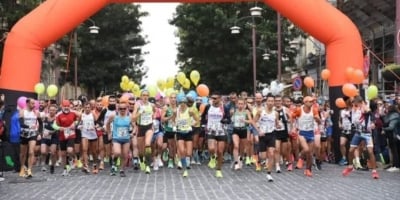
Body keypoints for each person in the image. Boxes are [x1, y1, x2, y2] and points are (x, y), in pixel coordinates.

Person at [342, 96, 379, 179]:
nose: (354, 104)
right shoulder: (354, 109)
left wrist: (373, 122)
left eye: (355, 103)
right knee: (351, 150)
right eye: (353, 103)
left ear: (359, 102)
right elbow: (354, 119)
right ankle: (350, 167)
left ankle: (374, 171)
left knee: (370, 151)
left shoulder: (364, 107)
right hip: (358, 132)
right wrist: (347, 116)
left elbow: (371, 114)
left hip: (367, 133)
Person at [291, 96, 320, 177]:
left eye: (312, 102)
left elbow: (319, 121)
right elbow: (292, 117)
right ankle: (301, 157)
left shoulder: (314, 110)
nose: (312, 103)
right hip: (302, 132)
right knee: (306, 149)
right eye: (310, 102)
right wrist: (293, 127)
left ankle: (308, 169)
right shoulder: (299, 109)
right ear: (305, 102)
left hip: (310, 132)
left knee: (310, 153)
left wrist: (317, 119)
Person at [203, 91, 231, 178]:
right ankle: (212, 157)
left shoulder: (224, 107)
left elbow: (229, 119)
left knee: (220, 151)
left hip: (221, 131)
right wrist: (203, 124)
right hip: (211, 130)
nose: (213, 100)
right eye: (212, 98)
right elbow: (203, 116)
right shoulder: (208, 106)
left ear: (219, 99)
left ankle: (218, 170)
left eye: (215, 98)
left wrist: (225, 120)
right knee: (211, 148)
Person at [254, 94, 279, 182]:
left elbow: (276, 123)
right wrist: (259, 131)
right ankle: (257, 155)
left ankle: (269, 174)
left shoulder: (276, 113)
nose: (271, 103)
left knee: (271, 153)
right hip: (262, 135)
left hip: (271, 134)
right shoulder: (260, 111)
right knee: (263, 156)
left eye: (272, 101)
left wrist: (278, 125)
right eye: (269, 101)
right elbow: (254, 122)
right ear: (266, 101)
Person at [53, 100, 80, 176]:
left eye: (67, 106)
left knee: (70, 150)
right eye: (65, 106)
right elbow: (54, 125)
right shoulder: (58, 115)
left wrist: (75, 123)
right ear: (62, 106)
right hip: (62, 135)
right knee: (63, 154)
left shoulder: (73, 113)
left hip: (71, 134)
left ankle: (71, 159)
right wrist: (59, 128)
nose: (66, 108)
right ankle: (65, 169)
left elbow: (80, 117)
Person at [106, 101, 133, 177]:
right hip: (116, 138)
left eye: (124, 108)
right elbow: (107, 124)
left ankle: (122, 169)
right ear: (118, 109)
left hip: (126, 138)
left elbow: (135, 126)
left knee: (125, 155)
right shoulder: (114, 116)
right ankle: (114, 164)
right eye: (121, 108)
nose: (122, 110)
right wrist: (109, 133)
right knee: (117, 152)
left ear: (127, 109)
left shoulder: (129, 117)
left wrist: (133, 133)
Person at [175, 95, 199, 177]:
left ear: (186, 103)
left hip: (188, 133)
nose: (182, 104)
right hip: (180, 132)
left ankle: (184, 160)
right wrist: (175, 125)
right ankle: (184, 169)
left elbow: (198, 120)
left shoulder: (190, 111)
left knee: (188, 153)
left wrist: (192, 125)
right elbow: (173, 120)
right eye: (181, 102)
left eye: (184, 102)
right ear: (179, 103)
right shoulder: (176, 111)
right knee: (182, 151)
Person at [133, 90, 155, 174]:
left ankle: (148, 165)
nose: (145, 97)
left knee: (147, 144)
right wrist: (139, 112)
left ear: (148, 96)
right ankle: (141, 160)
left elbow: (153, 114)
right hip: (140, 128)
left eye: (147, 95)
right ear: (141, 96)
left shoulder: (152, 105)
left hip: (149, 127)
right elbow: (133, 118)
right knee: (141, 151)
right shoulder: (137, 105)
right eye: (143, 95)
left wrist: (152, 122)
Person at [19, 98, 42, 178]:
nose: (34, 105)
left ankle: (29, 170)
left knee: (31, 152)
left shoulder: (36, 112)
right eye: (32, 103)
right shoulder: (22, 111)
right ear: (27, 103)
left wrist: (39, 133)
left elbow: (41, 124)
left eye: (34, 103)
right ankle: (22, 167)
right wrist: (29, 126)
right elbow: (21, 124)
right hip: (24, 133)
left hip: (33, 133)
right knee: (23, 153)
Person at [40, 104, 58, 174]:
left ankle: (52, 166)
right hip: (45, 136)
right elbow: (40, 125)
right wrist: (40, 133)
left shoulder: (57, 118)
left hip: (53, 137)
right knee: (43, 151)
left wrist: (50, 133)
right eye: (50, 110)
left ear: (56, 111)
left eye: (53, 110)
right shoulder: (45, 117)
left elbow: (57, 129)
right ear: (48, 110)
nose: (52, 111)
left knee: (53, 153)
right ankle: (43, 164)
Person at [383, 104, 400, 172]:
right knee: (396, 151)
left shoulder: (393, 116)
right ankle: (395, 165)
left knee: (395, 151)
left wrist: (383, 129)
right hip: (394, 136)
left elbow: (391, 127)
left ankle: (396, 166)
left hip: (393, 136)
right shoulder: (395, 115)